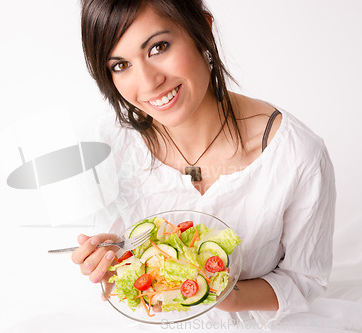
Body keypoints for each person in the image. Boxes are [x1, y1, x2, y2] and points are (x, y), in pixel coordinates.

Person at [71, 0, 336, 327]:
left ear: (203, 31)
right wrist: (108, 262)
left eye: (159, 47)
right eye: (120, 65)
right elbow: (121, 260)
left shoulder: (296, 156)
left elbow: (305, 279)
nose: (148, 82)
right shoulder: (112, 142)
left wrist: (230, 295)